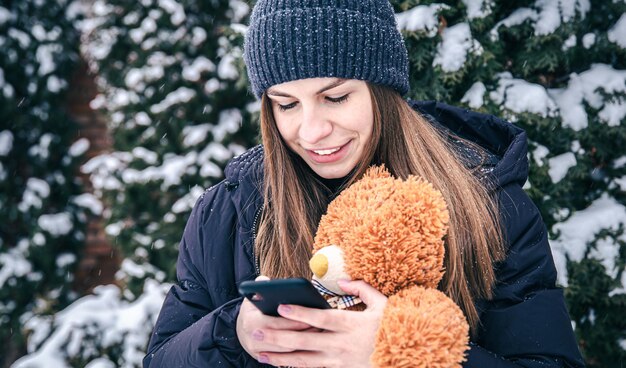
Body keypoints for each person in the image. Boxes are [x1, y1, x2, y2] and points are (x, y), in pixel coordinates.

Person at [143, 0, 586, 367]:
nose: (311, 130)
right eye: (286, 104)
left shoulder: (488, 202)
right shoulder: (228, 213)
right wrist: (232, 333)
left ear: (382, 91)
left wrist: (402, 352)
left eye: (335, 97)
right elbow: (162, 358)